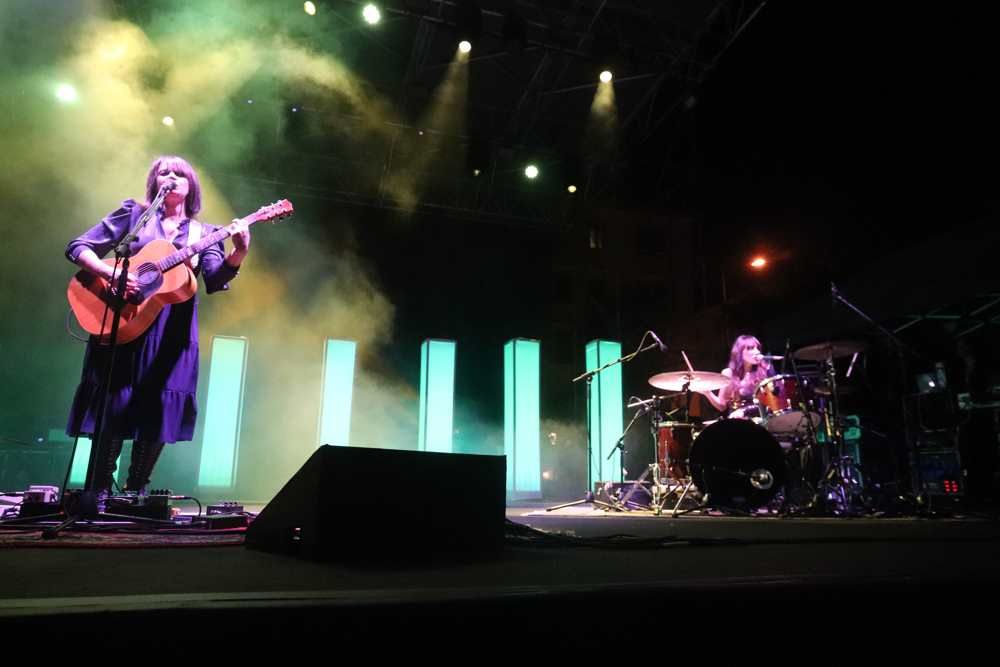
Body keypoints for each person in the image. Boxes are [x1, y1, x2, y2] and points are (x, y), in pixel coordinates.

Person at [64, 155, 250, 499]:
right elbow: (79, 247)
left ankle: (136, 491)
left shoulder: (205, 233)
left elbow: (215, 278)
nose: (171, 176)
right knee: (112, 402)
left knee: (158, 405)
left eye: (180, 173)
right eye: (164, 172)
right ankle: (99, 490)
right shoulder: (134, 215)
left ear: (191, 185)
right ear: (154, 182)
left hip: (173, 331)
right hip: (121, 319)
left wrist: (238, 252)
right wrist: (113, 273)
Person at [697, 334, 775, 418]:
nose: (757, 352)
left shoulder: (763, 371)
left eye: (758, 348)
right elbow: (722, 406)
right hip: (737, 421)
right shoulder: (729, 373)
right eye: (751, 348)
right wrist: (707, 392)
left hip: (761, 420)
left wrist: (745, 411)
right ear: (740, 352)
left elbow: (771, 403)